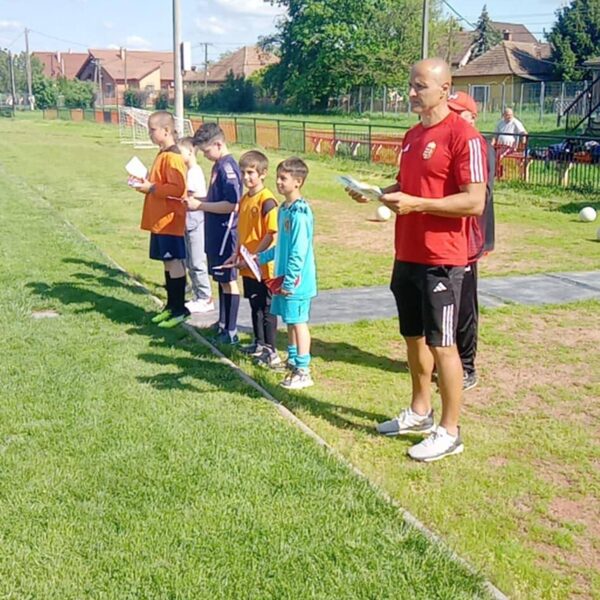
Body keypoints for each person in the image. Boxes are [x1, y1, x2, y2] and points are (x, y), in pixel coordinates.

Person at [347, 58, 487, 462]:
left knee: (444, 345)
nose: (411, 92)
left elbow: (474, 201)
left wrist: (418, 204)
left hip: (442, 259)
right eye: (411, 84)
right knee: (413, 337)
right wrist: (377, 192)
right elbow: (409, 186)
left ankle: (450, 431)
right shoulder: (411, 136)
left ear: (445, 89)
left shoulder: (465, 137)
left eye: (420, 86)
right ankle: (420, 411)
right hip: (407, 252)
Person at [447, 91, 496, 391]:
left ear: (472, 117)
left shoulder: (478, 145)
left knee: (464, 303)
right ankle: (444, 358)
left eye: (458, 112)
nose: (452, 116)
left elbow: (480, 195)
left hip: (468, 236)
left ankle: (466, 366)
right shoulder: (450, 140)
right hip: (446, 237)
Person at [255, 157, 316, 389]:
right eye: (278, 177)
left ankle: (304, 370)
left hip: (296, 282)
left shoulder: (300, 213)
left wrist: (290, 281)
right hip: (282, 279)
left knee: (299, 322)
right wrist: (260, 258)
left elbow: (299, 252)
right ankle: (292, 360)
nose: (278, 182)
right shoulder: (284, 209)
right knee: (289, 321)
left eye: (284, 178)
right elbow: (282, 247)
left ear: (298, 182)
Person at [223, 150, 281, 368]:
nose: (246, 177)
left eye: (250, 173)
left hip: (263, 266)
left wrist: (256, 256)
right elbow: (242, 230)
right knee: (255, 304)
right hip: (247, 263)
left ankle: (271, 351)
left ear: (263, 173)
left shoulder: (267, 201)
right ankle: (259, 343)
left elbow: (272, 234)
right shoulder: (245, 199)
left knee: (267, 308)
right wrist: (236, 253)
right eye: (243, 172)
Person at [186, 123, 242, 345]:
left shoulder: (228, 168)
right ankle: (222, 323)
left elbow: (233, 204)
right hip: (214, 231)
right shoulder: (218, 164)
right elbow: (215, 199)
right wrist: (197, 201)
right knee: (220, 279)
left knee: (228, 280)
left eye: (207, 150)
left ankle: (231, 331)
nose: (205, 155)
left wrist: (200, 206)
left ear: (218, 144)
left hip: (226, 232)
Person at [133, 111, 189, 329]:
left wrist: (152, 188)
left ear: (166, 130)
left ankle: (180, 309)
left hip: (170, 220)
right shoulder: (162, 153)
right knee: (167, 263)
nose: (149, 134)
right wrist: (144, 183)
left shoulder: (173, 157)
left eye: (152, 130)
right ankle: (170, 305)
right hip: (159, 220)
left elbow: (178, 188)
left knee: (174, 261)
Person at [177, 137, 214, 314]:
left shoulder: (194, 172)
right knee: (190, 260)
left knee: (197, 260)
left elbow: (187, 194)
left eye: (181, 152)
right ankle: (197, 294)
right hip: (188, 220)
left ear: (190, 152)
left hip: (195, 220)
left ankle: (205, 297)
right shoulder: (188, 171)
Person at [493, 107, 527, 178]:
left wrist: (524, 138)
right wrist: (492, 143)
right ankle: (497, 173)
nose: (509, 116)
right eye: (508, 115)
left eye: (511, 115)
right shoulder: (500, 123)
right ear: (504, 115)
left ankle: (498, 174)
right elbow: (495, 135)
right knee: (493, 156)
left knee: (499, 156)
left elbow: (523, 131)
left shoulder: (515, 122)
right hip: (500, 145)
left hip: (510, 146)